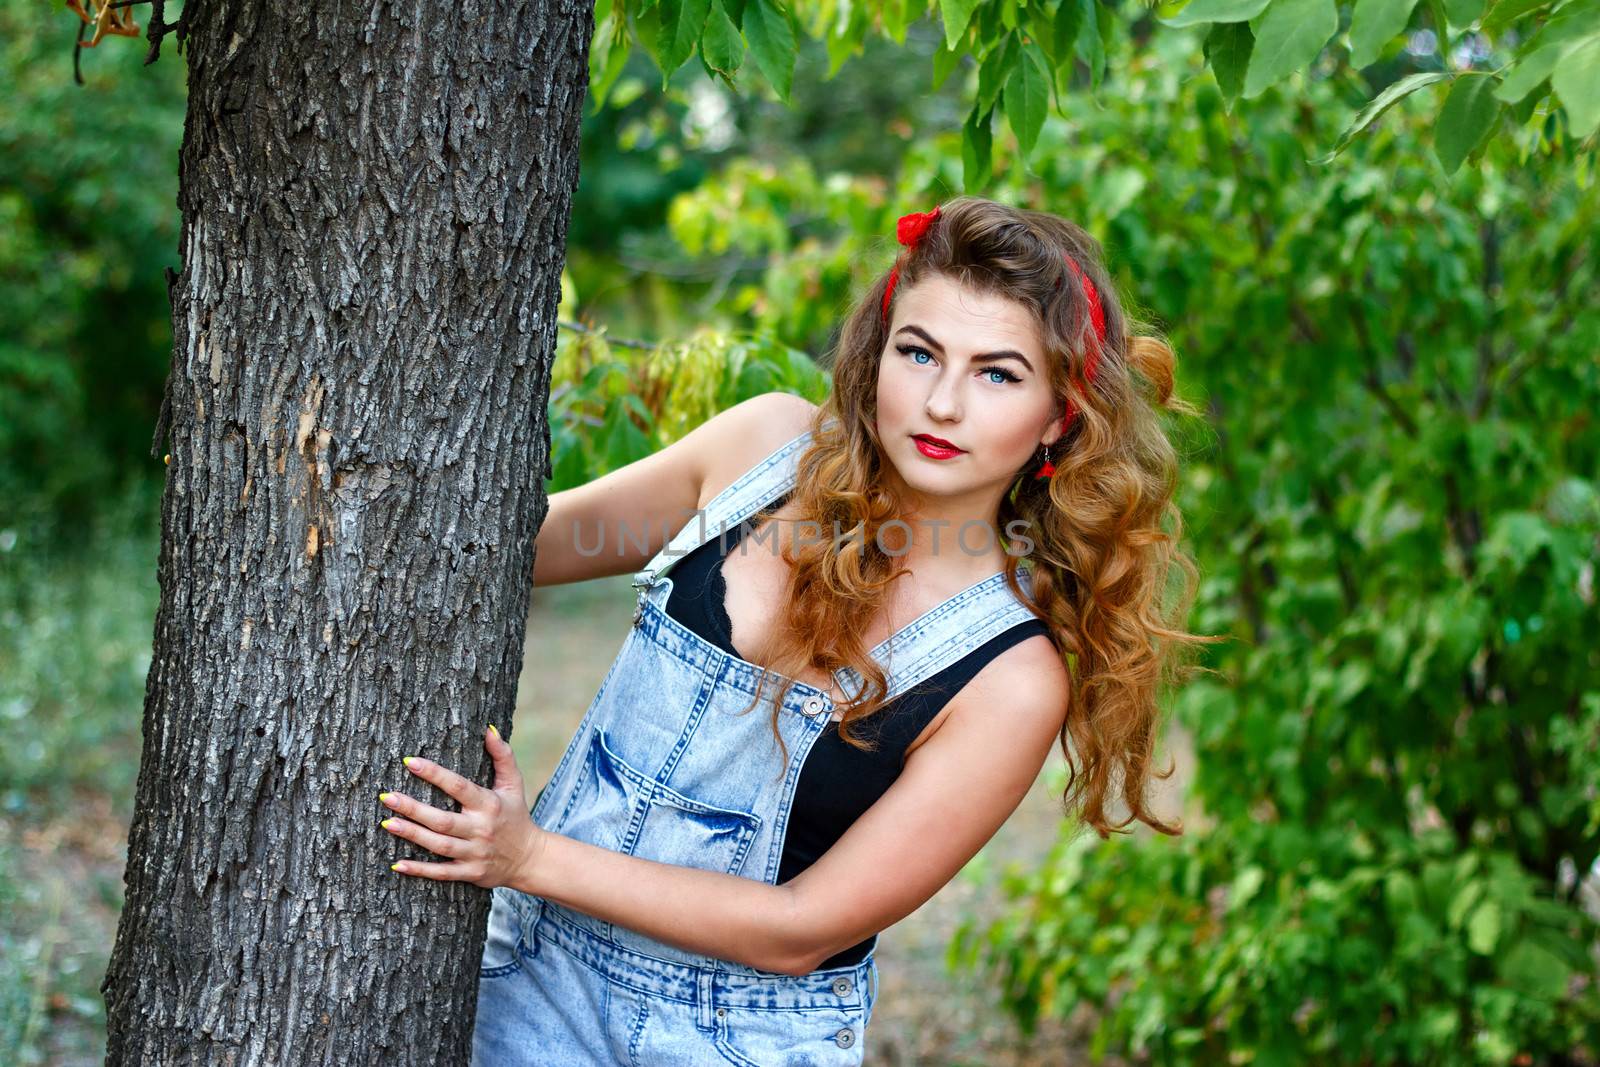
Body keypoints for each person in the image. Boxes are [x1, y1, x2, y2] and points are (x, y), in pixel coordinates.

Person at [375, 195, 1210, 1064]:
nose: (943, 403)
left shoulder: (1009, 676)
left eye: (998, 373)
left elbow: (798, 930)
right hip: (521, 973)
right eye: (918, 353)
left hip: (733, 1039)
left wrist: (525, 854)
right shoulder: (761, 452)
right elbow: (508, 551)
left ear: (1058, 416)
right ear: (876, 354)